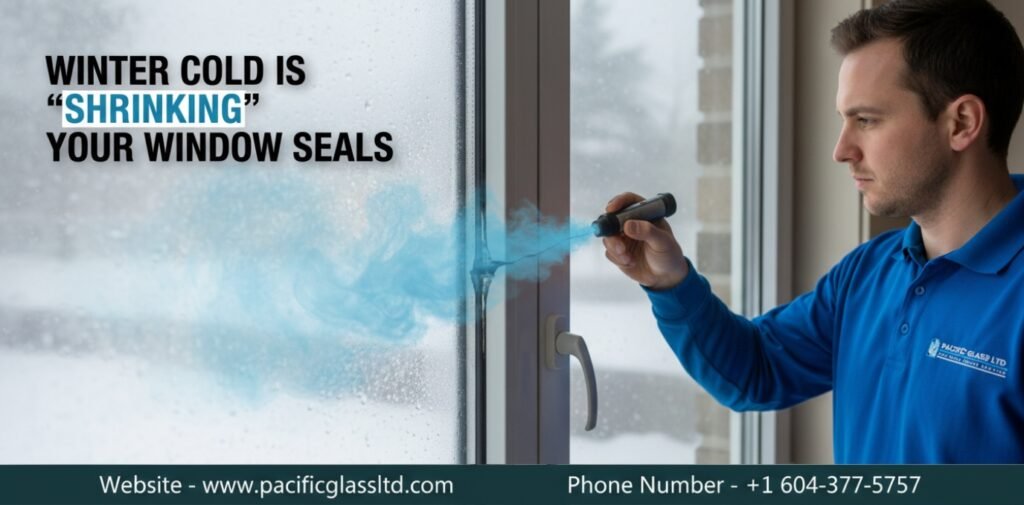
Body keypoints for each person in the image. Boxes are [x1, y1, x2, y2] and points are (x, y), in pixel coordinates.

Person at [602, 0, 1024, 463]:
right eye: (845, 120)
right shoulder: (868, 273)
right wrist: (669, 280)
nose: (841, 150)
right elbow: (756, 370)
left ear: (960, 122)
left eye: (866, 120)